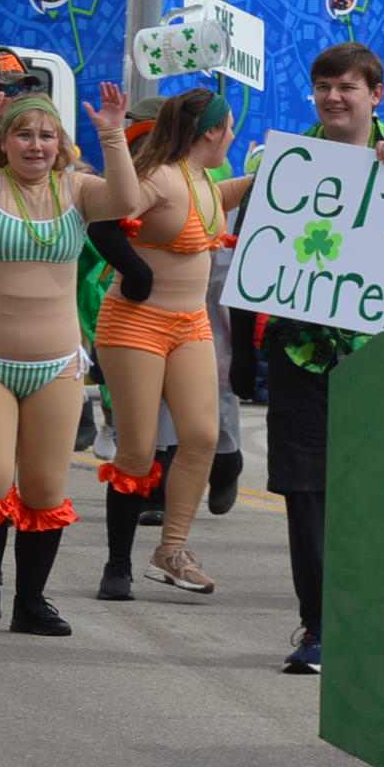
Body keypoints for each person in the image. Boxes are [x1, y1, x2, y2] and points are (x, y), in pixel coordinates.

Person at [0, 79, 140, 636]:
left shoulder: (78, 188)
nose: (36, 145)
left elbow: (127, 202)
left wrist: (113, 135)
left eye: (47, 136)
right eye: (23, 134)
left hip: (57, 367)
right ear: (5, 141)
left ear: (61, 144)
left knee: (46, 488)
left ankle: (31, 602)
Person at [252, 40, 384, 674]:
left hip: (380, 360)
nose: (333, 97)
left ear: (375, 95)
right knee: (306, 492)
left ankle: (374, 622)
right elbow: (255, 259)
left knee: (374, 494)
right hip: (300, 354)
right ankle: (318, 626)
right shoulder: (282, 163)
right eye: (323, 86)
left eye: (347, 87)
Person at [93, 86, 249, 598]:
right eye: (229, 128)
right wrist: (136, 273)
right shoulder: (157, 175)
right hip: (135, 323)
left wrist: (274, 174)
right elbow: (103, 221)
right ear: (211, 131)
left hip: (190, 324)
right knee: (138, 451)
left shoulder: (200, 176)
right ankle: (117, 565)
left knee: (201, 436)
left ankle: (172, 550)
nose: (233, 136)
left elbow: (214, 202)